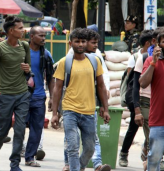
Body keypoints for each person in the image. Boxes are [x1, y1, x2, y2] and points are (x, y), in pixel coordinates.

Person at [51, 28, 110, 171]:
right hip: (70, 110)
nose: (80, 44)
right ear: (71, 43)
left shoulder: (94, 61)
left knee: (89, 148)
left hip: (89, 111)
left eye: (83, 41)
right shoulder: (65, 62)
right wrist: (54, 113)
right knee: (72, 146)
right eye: (77, 41)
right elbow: (57, 89)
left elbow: (101, 86)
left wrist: (105, 108)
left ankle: (78, 166)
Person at [0, 16, 31, 171]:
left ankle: (14, 164)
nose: (23, 30)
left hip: (22, 94)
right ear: (11, 31)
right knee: (3, 129)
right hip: (5, 95)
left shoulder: (25, 46)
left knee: (19, 130)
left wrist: (28, 70)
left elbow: (28, 70)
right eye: (20, 28)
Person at [22, 26, 55, 167]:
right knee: (19, 126)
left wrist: (52, 98)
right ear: (31, 36)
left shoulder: (46, 55)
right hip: (22, 95)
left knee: (37, 128)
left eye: (44, 36)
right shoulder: (22, 53)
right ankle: (17, 152)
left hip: (39, 96)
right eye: (40, 35)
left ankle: (30, 157)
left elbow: (51, 78)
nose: (43, 38)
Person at [139, 33, 164, 171]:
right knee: (154, 159)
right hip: (159, 121)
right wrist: (153, 62)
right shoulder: (150, 61)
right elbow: (142, 83)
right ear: (158, 44)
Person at [132, 30, 153, 170]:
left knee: (156, 135)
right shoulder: (144, 58)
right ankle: (151, 161)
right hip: (146, 101)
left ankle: (147, 152)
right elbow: (135, 86)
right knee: (153, 135)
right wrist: (137, 109)